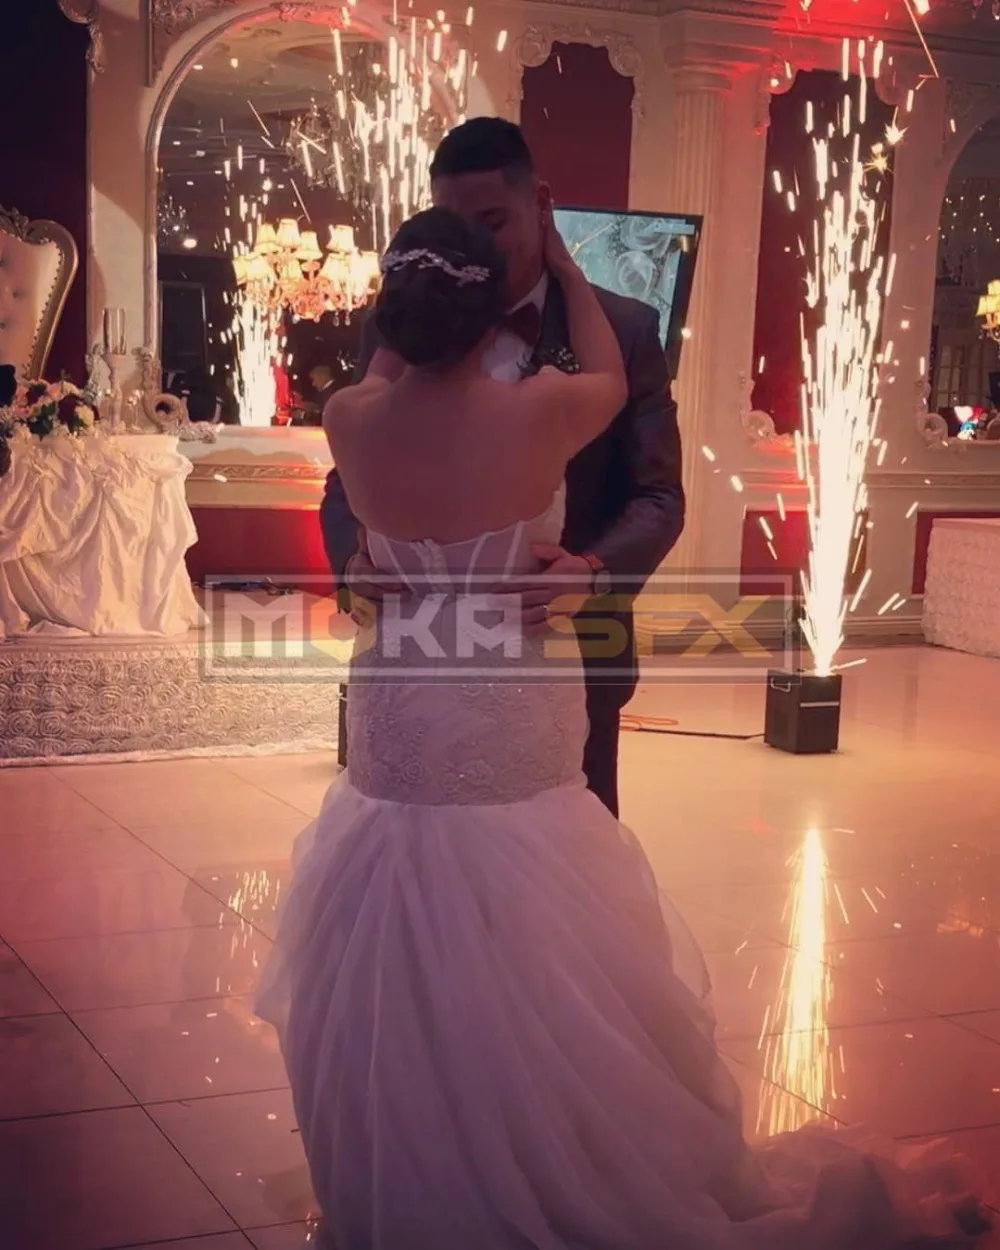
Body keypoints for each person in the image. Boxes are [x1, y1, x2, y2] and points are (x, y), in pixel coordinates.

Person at [256, 206, 986, 1250]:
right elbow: (606, 372)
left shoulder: (349, 419)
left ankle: (416, 1163)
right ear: (487, 312)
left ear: (392, 312)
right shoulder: (541, 410)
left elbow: (387, 368)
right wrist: (560, 264)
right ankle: (543, 1145)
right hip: (511, 687)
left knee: (394, 910)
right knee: (537, 924)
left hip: (401, 696)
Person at [320, 117, 684, 816]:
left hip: (560, 655)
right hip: (410, 664)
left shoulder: (626, 327)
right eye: (456, 227)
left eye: (491, 222)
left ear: (540, 204)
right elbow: (346, 483)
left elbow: (659, 496)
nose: (476, 246)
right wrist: (351, 563)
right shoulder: (393, 326)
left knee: (560, 857)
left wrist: (593, 571)